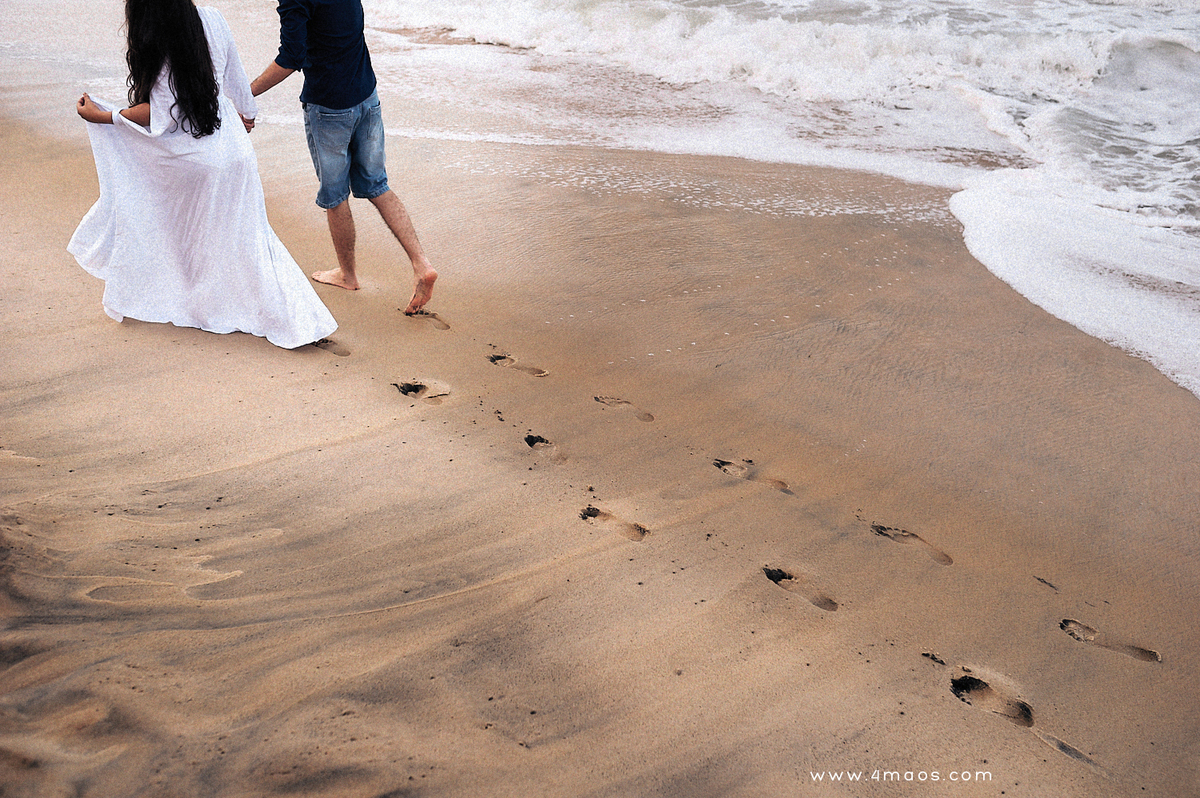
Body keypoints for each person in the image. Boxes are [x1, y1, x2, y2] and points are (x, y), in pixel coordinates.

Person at [69, 0, 337, 350]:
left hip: (193, 159)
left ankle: (208, 306)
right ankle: (300, 318)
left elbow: (161, 114)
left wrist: (103, 117)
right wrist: (247, 111)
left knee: (182, 231)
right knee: (253, 241)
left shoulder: (157, 35)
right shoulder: (212, 17)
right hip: (234, 150)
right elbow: (235, 78)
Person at [250, 0, 438, 316]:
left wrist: (245, 92)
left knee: (335, 195)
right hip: (367, 96)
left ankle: (347, 275)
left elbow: (291, 57)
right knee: (377, 185)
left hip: (329, 108)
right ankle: (422, 264)